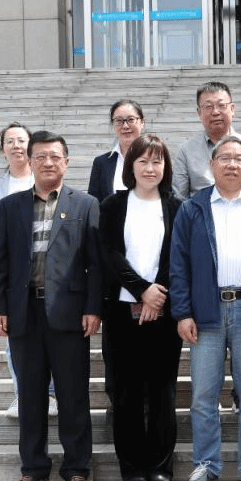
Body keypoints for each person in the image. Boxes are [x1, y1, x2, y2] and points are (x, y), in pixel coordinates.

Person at [0, 130, 102, 481]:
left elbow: (96, 264)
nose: (48, 162)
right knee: (31, 395)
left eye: (55, 156)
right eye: (41, 157)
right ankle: (34, 468)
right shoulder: (10, 206)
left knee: (73, 394)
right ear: (30, 161)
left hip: (69, 314)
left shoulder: (85, 204)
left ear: (66, 161)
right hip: (24, 313)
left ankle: (77, 468)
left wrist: (93, 308)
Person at [170, 136, 241, 481]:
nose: (232, 164)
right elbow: (179, 265)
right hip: (207, 312)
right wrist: (183, 312)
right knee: (203, 396)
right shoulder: (193, 208)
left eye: (239, 159)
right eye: (225, 158)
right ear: (212, 164)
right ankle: (206, 465)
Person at [98, 134, 183, 481]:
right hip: (121, 312)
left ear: (166, 167)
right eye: (143, 161)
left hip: (164, 312)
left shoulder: (177, 206)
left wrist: (156, 294)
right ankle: (132, 467)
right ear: (131, 166)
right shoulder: (112, 205)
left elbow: (177, 256)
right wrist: (141, 290)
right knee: (126, 392)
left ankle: (160, 466)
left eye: (157, 161)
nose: (150, 168)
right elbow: (109, 254)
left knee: (163, 391)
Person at [0, 122, 57, 419]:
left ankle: (50, 393)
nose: (16, 145)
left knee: (50, 337)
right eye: (9, 141)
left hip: (48, 270)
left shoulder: (44, 177)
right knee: (14, 338)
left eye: (21, 140)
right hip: (15, 273)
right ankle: (21, 393)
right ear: (2, 149)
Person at [88, 99, 147, 431]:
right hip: (113, 267)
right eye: (119, 120)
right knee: (115, 348)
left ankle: (149, 406)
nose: (125, 126)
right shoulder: (103, 163)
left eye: (131, 119)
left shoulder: (154, 156)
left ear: (142, 122)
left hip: (149, 265)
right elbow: (95, 211)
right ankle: (118, 403)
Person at [172, 81, 241, 199]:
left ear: (232, 108)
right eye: (208, 107)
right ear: (199, 113)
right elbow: (180, 198)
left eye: (221, 105)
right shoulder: (185, 151)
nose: (215, 112)